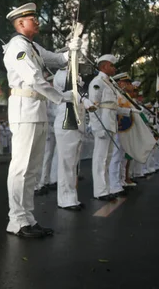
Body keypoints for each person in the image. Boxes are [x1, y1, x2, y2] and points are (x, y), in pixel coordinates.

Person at [2, 2, 79, 238]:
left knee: (32, 169)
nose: (37, 21)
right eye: (32, 18)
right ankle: (16, 220)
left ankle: (27, 218)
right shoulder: (18, 46)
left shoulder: (32, 46)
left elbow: (56, 59)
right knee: (21, 167)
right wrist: (61, 97)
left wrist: (72, 50)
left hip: (37, 109)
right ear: (20, 23)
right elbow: (35, 78)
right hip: (25, 110)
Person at [88, 55, 134, 201]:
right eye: (112, 66)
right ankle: (100, 191)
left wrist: (130, 112)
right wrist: (97, 127)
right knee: (100, 158)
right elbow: (93, 107)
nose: (114, 68)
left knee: (107, 159)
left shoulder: (109, 83)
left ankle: (106, 189)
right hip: (103, 125)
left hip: (110, 124)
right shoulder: (97, 82)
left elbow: (113, 106)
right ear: (104, 66)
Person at [53, 69, 94, 211]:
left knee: (73, 163)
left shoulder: (77, 75)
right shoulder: (61, 75)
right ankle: (65, 199)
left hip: (76, 123)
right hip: (66, 121)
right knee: (66, 163)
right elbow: (72, 88)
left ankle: (71, 197)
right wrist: (84, 98)